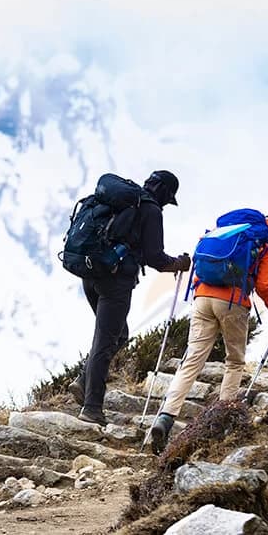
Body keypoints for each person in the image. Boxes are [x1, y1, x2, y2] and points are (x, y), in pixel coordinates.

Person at [148, 217, 268, 454]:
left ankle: (166, 416)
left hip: (202, 298)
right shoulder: (266, 247)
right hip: (233, 302)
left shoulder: (222, 234)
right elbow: (265, 287)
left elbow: (199, 269)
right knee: (234, 362)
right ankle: (222, 420)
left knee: (191, 361)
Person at [70, 171, 191, 426]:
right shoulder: (150, 210)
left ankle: (83, 381)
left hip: (90, 273)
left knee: (118, 335)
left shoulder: (120, 200)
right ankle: (92, 408)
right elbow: (155, 257)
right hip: (115, 283)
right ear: (166, 194)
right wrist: (179, 263)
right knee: (105, 340)